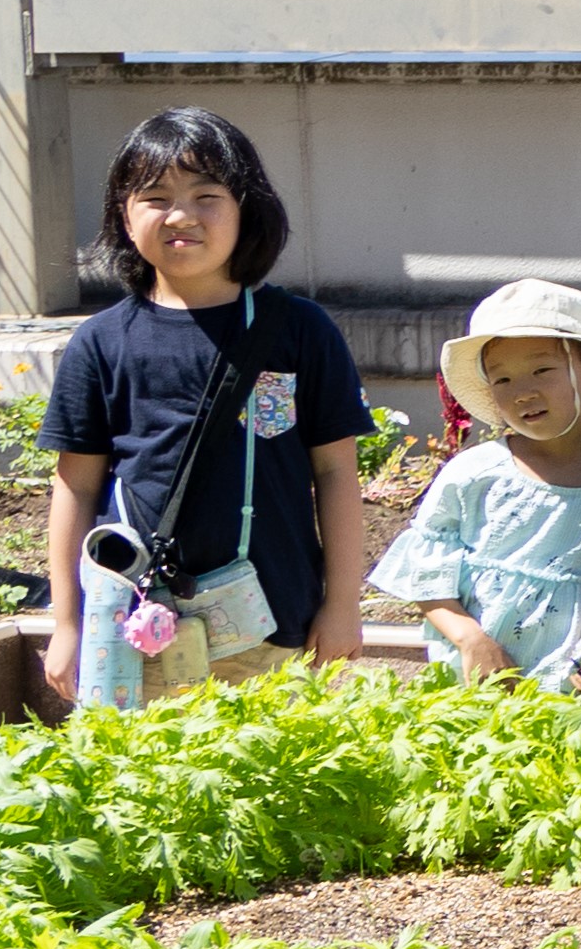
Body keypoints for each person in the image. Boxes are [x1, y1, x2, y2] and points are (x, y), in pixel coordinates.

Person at [37, 107, 374, 702]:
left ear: (248, 210)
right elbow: (77, 487)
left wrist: (342, 604)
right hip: (131, 627)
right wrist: (67, 624)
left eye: (207, 195)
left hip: (273, 624)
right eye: (155, 197)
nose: (181, 215)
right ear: (124, 213)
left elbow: (336, 473)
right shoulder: (101, 341)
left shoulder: (299, 330)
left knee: (261, 784)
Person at [368, 278, 581, 687]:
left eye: (542, 370)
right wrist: (470, 639)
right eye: (503, 380)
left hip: (579, 683)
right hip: (480, 680)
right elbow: (426, 575)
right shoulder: (474, 474)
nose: (523, 393)